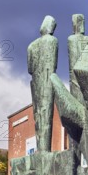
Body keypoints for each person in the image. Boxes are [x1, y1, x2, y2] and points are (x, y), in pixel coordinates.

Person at [27, 15, 59, 152]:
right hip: (46, 81)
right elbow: (53, 66)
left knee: (38, 115)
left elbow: (30, 69)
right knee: (46, 114)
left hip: (35, 82)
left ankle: (41, 149)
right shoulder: (52, 41)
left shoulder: (31, 46)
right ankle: (44, 151)